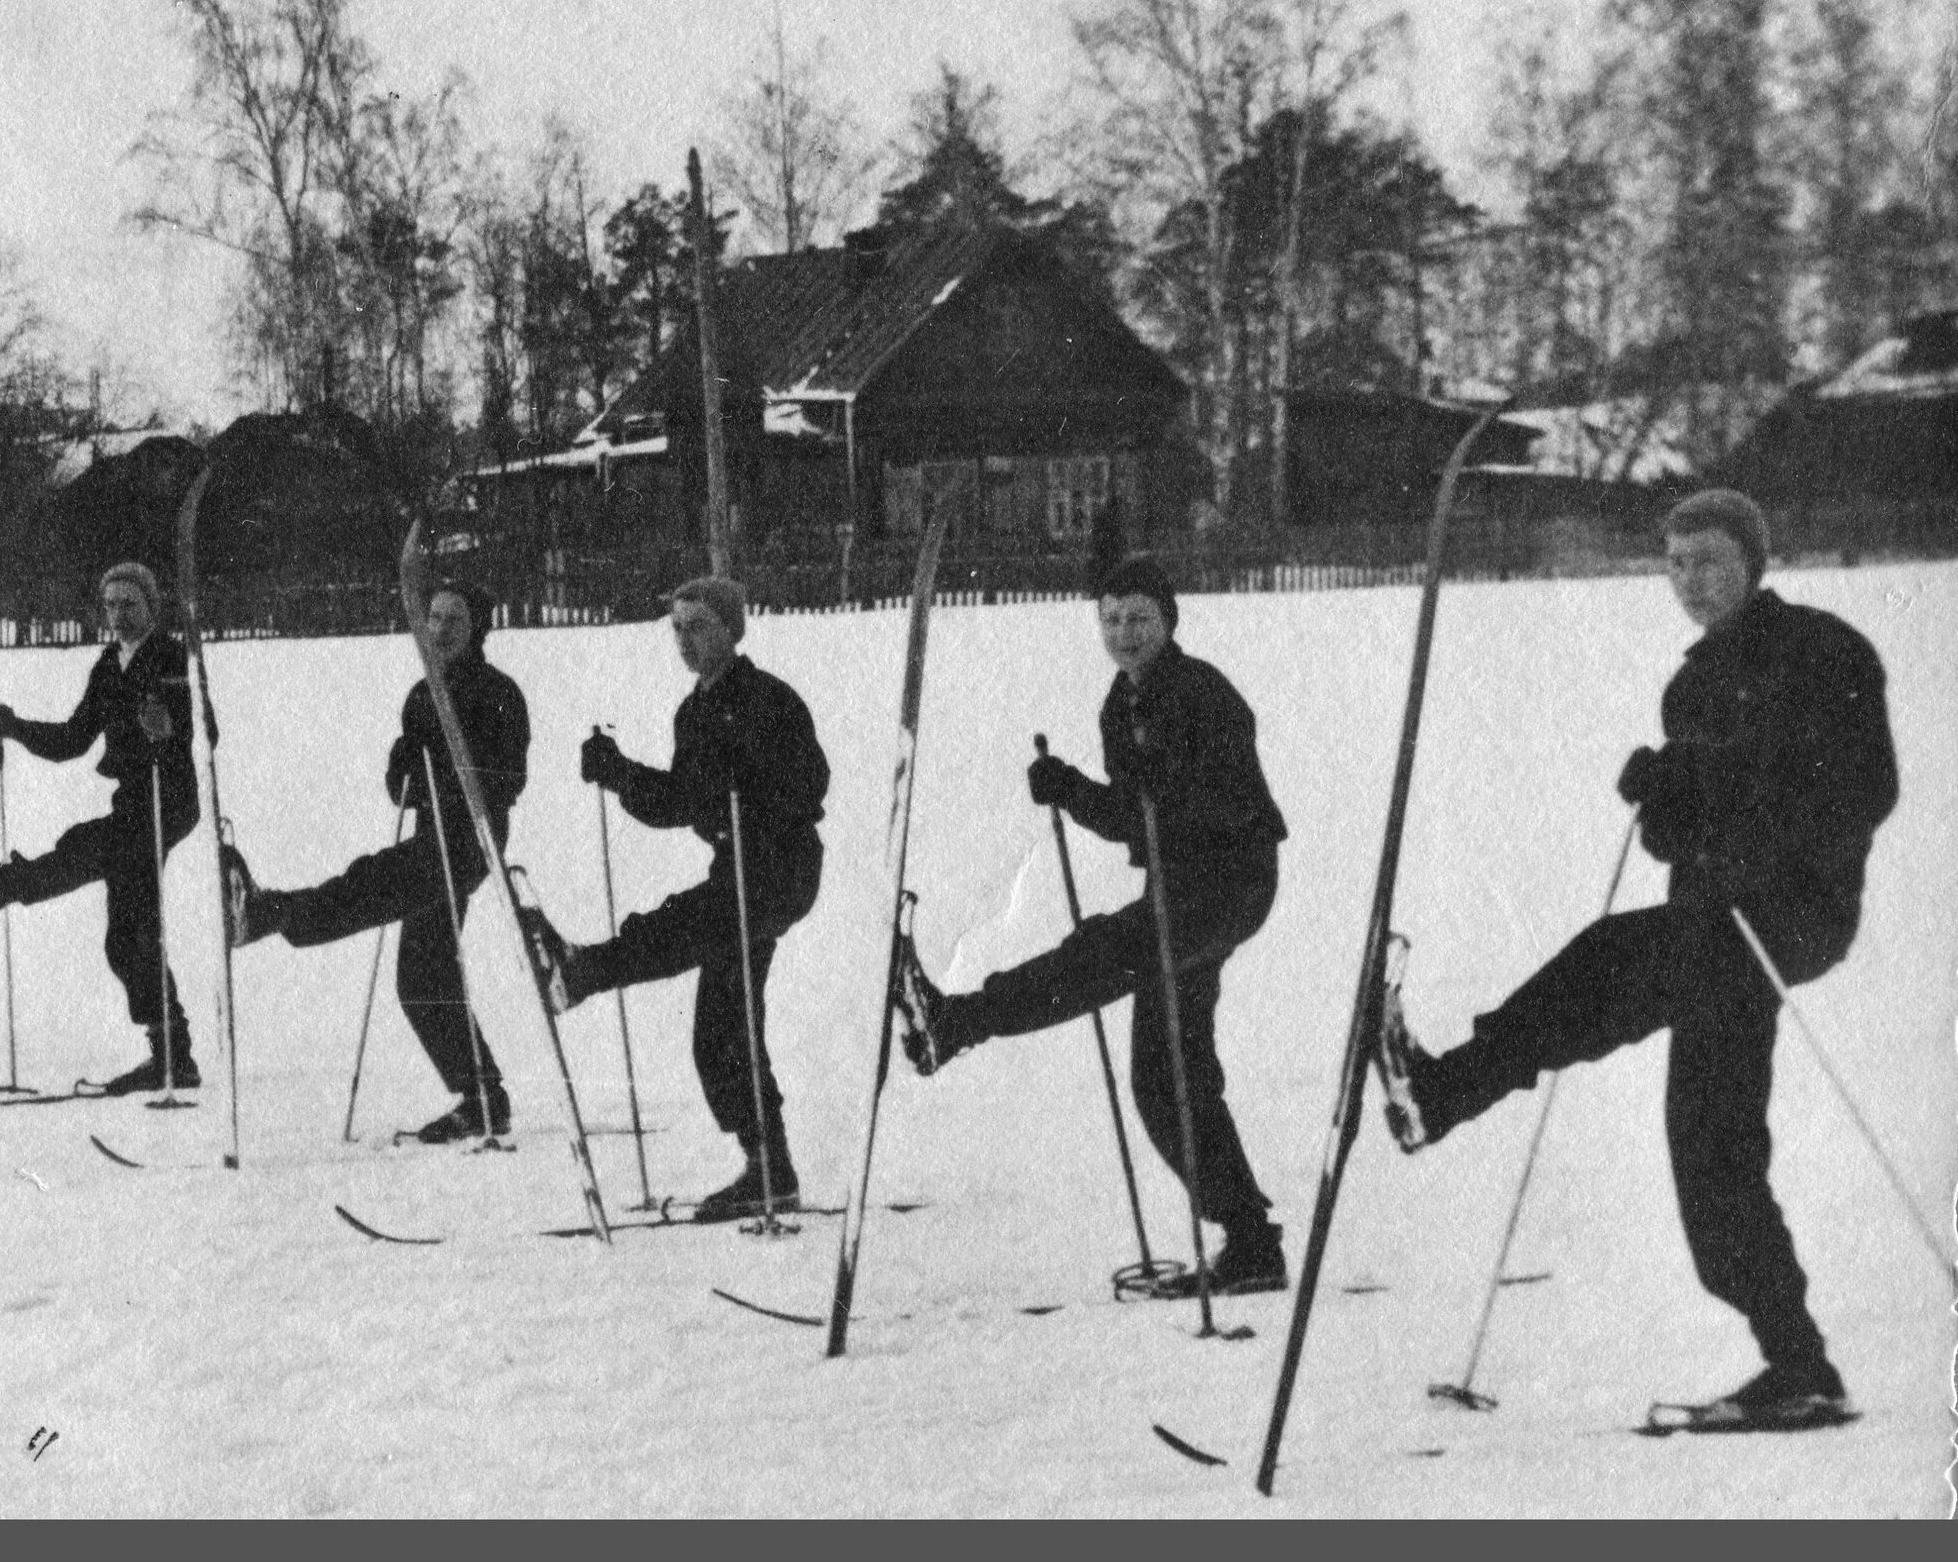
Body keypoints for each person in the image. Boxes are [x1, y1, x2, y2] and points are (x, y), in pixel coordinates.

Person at [1375, 489, 1896, 1430]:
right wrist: (1662, 801)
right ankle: (1801, 1364)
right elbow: (1682, 833)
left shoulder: (1823, 651)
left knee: (1611, 959)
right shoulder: (1691, 684)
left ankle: (1443, 1091)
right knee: (1709, 1145)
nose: (1691, 581)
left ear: (1754, 560)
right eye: (1676, 563)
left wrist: (1720, 801)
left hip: (1793, 911)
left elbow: (1860, 789)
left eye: (1709, 559)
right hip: (1708, 920)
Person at [897, 555, 1292, 1296]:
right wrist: (1076, 791)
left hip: (1233, 880)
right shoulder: (1120, 704)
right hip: (1181, 887)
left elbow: (1217, 799)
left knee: (1105, 953)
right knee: (1165, 1073)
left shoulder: (1205, 694)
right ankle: (1251, 1242)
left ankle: (955, 1021)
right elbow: (1130, 817)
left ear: (1169, 620)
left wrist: (1134, 791)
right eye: (1111, 619)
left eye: (1139, 617)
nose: (1124, 633)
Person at [518, 575, 828, 1224]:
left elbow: (811, 781)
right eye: (678, 628)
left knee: (689, 926)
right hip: (736, 868)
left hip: (782, 865)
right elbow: (680, 801)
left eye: (700, 626)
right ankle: (770, 1168)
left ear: (732, 630)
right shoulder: (693, 713)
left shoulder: (770, 699)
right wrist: (620, 772)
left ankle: (584, 969)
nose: (687, 641)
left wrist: (756, 788)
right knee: (720, 1033)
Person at [221, 581, 528, 1143]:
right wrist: (405, 768)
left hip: (473, 838)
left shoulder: (499, 691)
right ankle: (483, 1097)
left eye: (454, 620)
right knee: (421, 978)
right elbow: (402, 788)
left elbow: (511, 780)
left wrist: (464, 766)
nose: (440, 630)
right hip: (430, 832)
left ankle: (272, 912)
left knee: (376, 883)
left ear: (477, 628)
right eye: (432, 619)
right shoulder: (422, 693)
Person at [0, 562, 200, 1094]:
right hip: (133, 800)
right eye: (109, 605)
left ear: (151, 606)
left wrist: (171, 728)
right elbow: (73, 737)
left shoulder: (172, 656)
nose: (117, 615)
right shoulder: (109, 665)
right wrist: (17, 728)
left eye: (128, 604)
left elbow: (208, 731)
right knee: (126, 937)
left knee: (91, 857)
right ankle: (174, 1055)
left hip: (168, 798)